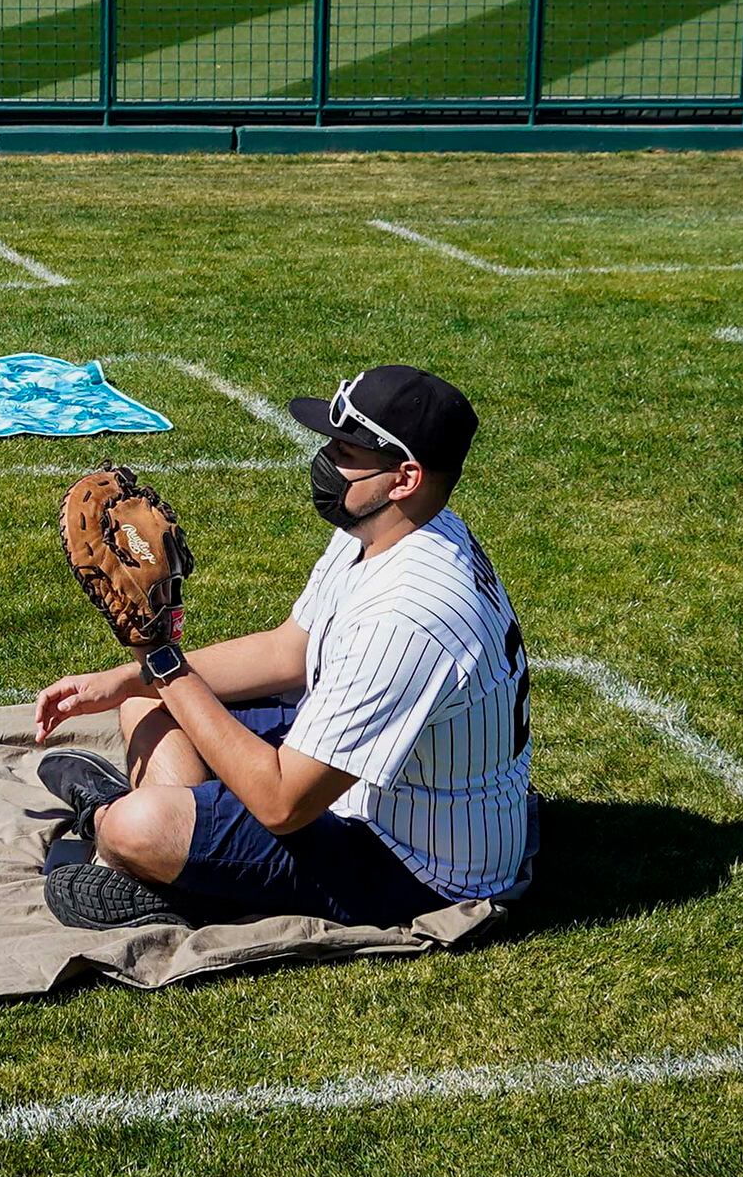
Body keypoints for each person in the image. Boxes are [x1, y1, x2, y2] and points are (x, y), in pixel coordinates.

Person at [30, 365, 534, 931]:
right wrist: (124, 677)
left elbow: (281, 804)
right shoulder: (387, 529)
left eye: (346, 448)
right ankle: (174, 851)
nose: (325, 459)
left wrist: (162, 658)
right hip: (373, 790)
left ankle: (134, 841)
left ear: (404, 477)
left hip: (411, 864)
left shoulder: (410, 615)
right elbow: (286, 653)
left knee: (135, 825)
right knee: (143, 703)